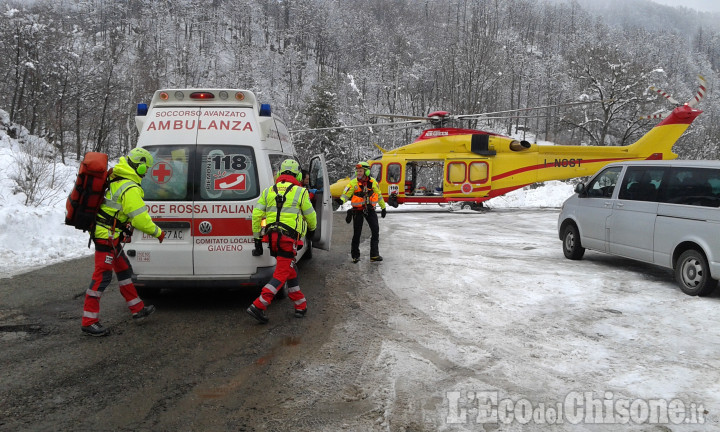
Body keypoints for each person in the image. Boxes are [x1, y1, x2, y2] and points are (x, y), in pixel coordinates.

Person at [81, 148, 165, 336]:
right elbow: (140, 220)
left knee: (124, 270)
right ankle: (89, 321)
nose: (147, 172)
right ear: (140, 166)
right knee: (102, 277)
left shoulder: (117, 176)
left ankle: (137, 309)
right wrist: (158, 232)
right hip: (106, 236)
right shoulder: (130, 187)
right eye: (147, 168)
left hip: (111, 235)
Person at [247, 159, 317, 324]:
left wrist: (257, 240)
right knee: (281, 274)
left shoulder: (268, 191)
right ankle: (259, 305)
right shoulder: (301, 192)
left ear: (279, 174)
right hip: (288, 239)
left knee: (290, 269)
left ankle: (300, 305)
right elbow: (311, 216)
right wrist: (312, 231)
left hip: (272, 239)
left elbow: (256, 216)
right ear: (297, 174)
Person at [339, 161, 387, 263]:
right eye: (357, 171)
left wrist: (383, 208)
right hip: (357, 211)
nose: (358, 173)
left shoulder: (373, 182)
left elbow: (379, 195)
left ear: (367, 172)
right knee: (357, 233)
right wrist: (341, 200)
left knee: (375, 231)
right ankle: (355, 255)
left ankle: (374, 255)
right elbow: (346, 194)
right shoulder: (353, 183)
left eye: (360, 171)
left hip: (370, 209)